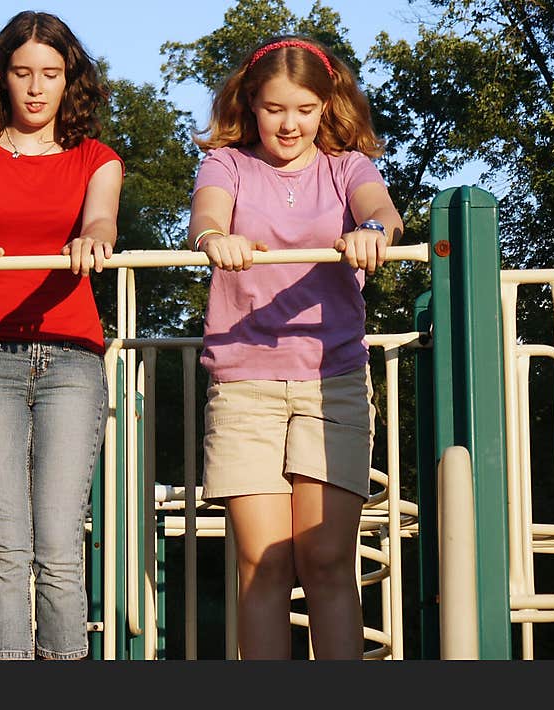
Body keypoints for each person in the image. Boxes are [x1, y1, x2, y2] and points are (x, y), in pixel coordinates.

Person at [188, 36, 403, 659]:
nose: (290, 124)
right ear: (252, 103)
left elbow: (383, 212)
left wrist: (371, 232)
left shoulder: (346, 167)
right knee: (263, 562)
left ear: (325, 106)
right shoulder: (228, 164)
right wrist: (213, 237)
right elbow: (206, 213)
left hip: (329, 377)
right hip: (244, 378)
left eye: (305, 109)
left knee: (327, 559)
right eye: (276, 108)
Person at [0, 10, 123, 660]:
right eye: (24, 73)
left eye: (51, 73)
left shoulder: (97, 159)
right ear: (3, 77)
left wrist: (91, 241)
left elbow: (102, 220)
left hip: (72, 361)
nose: (37, 88)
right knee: (4, 544)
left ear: (70, 80)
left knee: (58, 540)